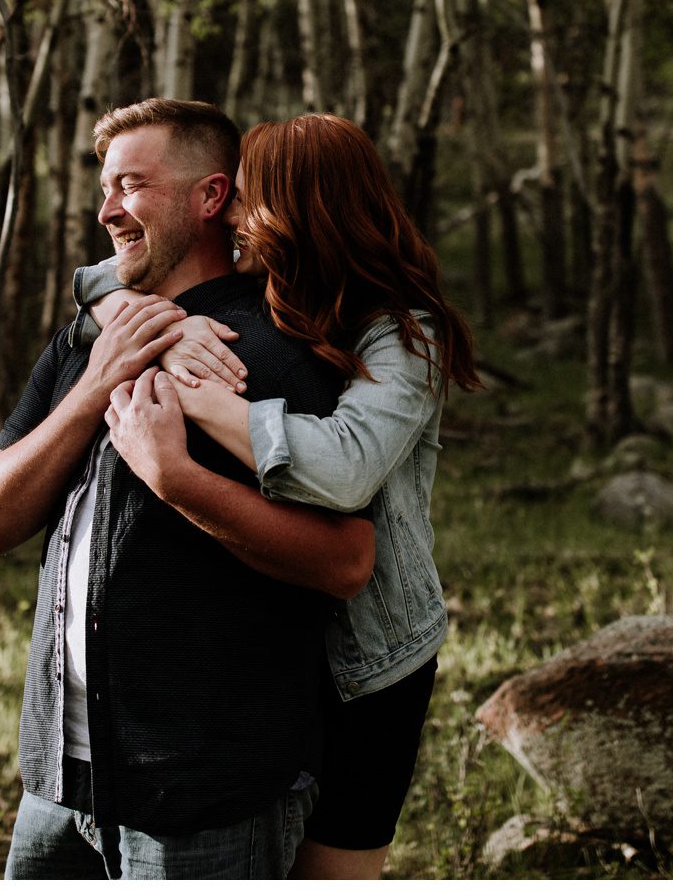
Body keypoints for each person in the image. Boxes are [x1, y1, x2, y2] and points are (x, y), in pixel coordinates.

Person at [0, 98, 375, 880]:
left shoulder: (270, 352)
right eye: (105, 188)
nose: (107, 211)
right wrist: (97, 384)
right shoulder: (89, 339)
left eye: (131, 185)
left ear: (211, 196)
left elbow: (346, 561)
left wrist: (176, 481)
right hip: (59, 781)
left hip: (208, 793)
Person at [81, 112, 482, 879]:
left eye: (245, 198)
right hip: (265, 657)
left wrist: (197, 398)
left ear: (297, 208)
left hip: (368, 667)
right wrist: (154, 324)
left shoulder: (404, 334)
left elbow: (344, 469)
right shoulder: (268, 293)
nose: (229, 214)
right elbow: (102, 275)